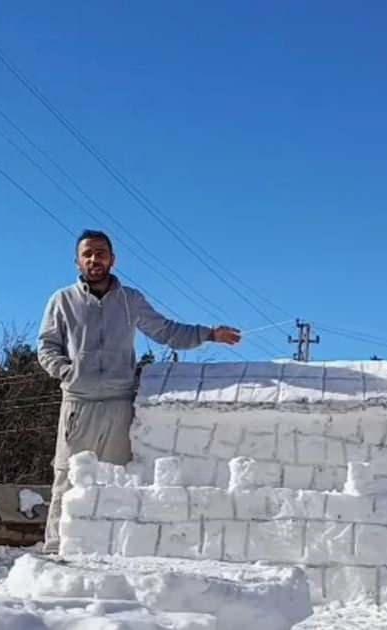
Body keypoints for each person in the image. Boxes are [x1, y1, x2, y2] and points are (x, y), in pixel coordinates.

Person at [37, 229, 241, 553]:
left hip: (120, 403)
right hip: (79, 403)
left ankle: (110, 551)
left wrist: (209, 334)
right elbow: (47, 347)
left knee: (118, 479)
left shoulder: (130, 300)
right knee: (68, 477)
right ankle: (56, 551)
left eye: (101, 253)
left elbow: (166, 331)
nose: (94, 259)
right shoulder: (62, 300)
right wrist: (68, 372)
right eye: (88, 253)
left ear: (113, 259)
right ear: (77, 260)